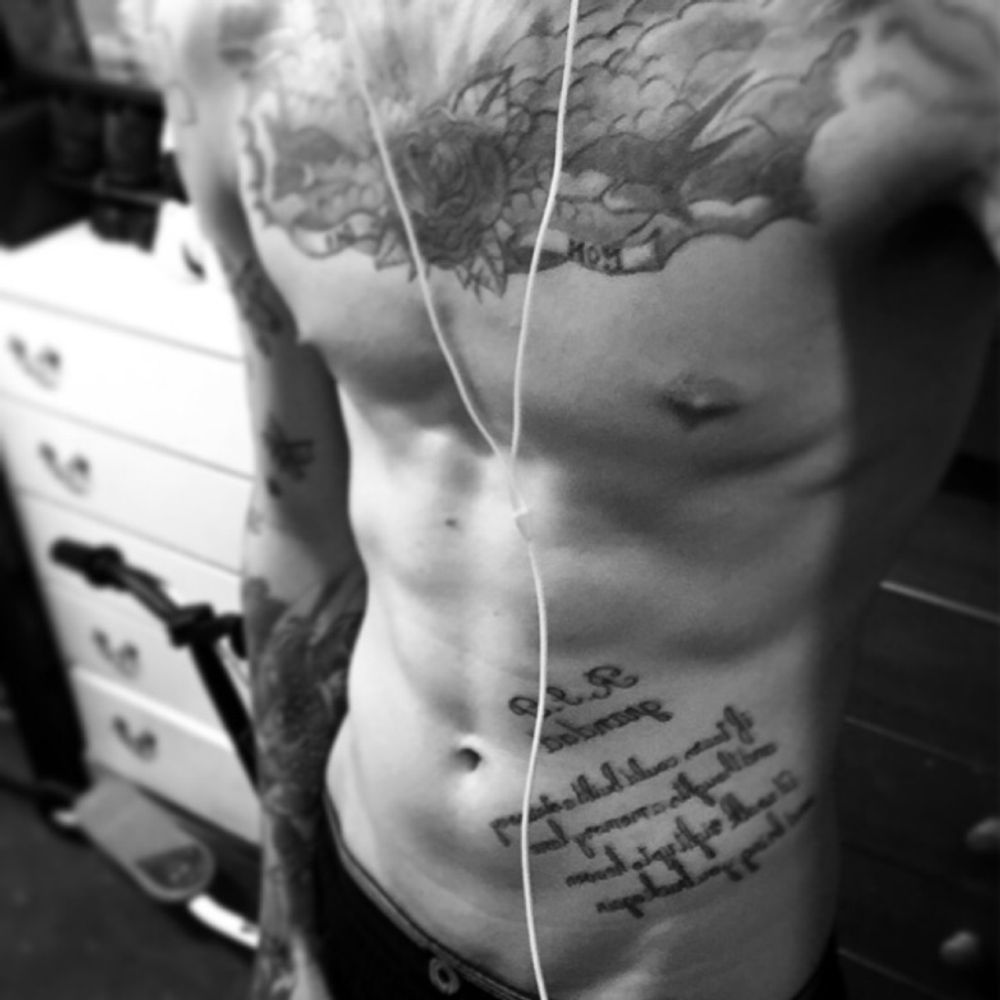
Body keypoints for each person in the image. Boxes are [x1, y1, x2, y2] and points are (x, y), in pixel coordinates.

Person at [151, 1, 999, 998]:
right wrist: (284, 911)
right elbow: (298, 514)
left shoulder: (936, 38)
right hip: (356, 892)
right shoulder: (231, 34)